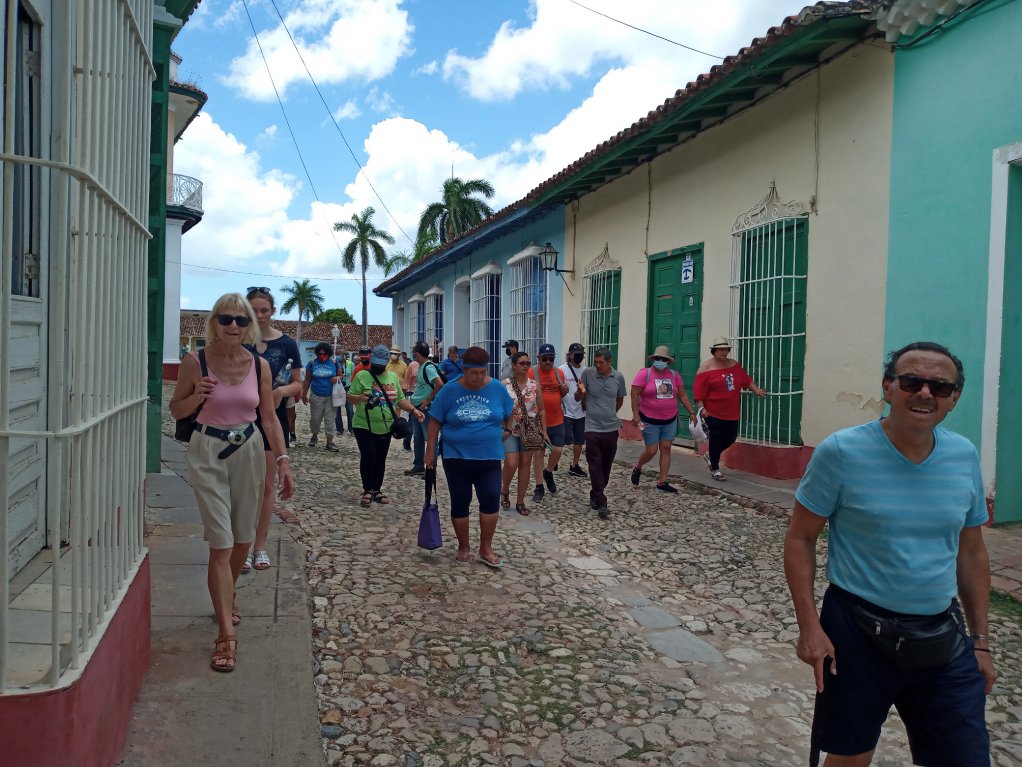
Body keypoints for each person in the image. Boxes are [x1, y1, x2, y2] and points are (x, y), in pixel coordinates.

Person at [783, 341, 994, 767]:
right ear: (888, 386)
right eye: (912, 381)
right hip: (856, 631)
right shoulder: (841, 452)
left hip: (941, 635)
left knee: (965, 757)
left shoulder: (964, 455)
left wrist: (981, 642)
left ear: (954, 397)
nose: (924, 393)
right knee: (850, 756)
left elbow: (971, 553)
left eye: (939, 386)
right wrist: (810, 628)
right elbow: (800, 539)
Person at [169, 293, 295, 673]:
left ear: (250, 327)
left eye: (242, 321)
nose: (234, 327)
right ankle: (226, 636)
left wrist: (284, 461)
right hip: (207, 451)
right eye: (226, 320)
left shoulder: (259, 366)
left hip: (248, 450)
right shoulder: (196, 362)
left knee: (242, 539)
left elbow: (269, 418)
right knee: (221, 543)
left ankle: (228, 596)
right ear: (215, 323)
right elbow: (175, 410)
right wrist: (196, 396)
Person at [424, 346, 514, 568]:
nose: (479, 377)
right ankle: (464, 546)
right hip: (457, 457)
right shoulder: (449, 390)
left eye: (483, 372)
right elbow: (435, 420)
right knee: (461, 501)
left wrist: (508, 432)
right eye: (474, 373)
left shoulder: (497, 389)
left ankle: (486, 547)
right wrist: (430, 450)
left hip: (489, 458)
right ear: (465, 370)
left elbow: (510, 413)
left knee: (491, 499)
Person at [244, 286, 302, 574]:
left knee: (267, 487)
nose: (259, 315)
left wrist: (280, 393)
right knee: (241, 487)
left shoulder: (287, 344)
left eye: (264, 310)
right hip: (240, 419)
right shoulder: (239, 340)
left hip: (271, 420)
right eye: (253, 310)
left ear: (272, 311)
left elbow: (297, 383)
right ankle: (240, 545)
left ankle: (260, 545)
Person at [348, 344, 425, 506]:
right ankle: (367, 489)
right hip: (363, 423)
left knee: (380, 458)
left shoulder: (392, 378)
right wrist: (361, 397)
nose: (378, 367)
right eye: (375, 363)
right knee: (368, 454)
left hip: (386, 425)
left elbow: (399, 400)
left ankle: (377, 489)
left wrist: (413, 410)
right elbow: (350, 396)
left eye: (380, 364)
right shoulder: (361, 375)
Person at [693, 337, 766, 481]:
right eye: (720, 349)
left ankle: (710, 455)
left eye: (726, 349)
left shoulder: (734, 365)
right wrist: (701, 408)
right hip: (713, 411)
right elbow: (698, 390)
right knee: (716, 438)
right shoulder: (706, 367)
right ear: (714, 351)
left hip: (732, 411)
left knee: (731, 437)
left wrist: (755, 389)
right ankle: (715, 468)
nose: (724, 352)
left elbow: (745, 379)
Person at [628, 345, 697, 494]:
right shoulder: (644, 374)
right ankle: (638, 467)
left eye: (663, 359)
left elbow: (683, 395)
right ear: (653, 359)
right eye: (657, 358)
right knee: (651, 450)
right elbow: (634, 394)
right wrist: (635, 414)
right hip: (648, 420)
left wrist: (691, 412)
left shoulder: (674, 375)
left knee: (666, 448)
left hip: (669, 420)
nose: (660, 361)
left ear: (668, 361)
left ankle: (662, 482)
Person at [576, 348, 626, 519]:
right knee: (594, 463)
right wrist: (580, 392)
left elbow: (619, 399)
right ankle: (602, 502)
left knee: (606, 465)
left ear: (609, 362)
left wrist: (611, 412)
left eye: (601, 363)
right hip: (592, 427)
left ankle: (595, 494)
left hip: (611, 427)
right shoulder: (588, 374)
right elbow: (578, 397)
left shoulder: (618, 377)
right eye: (595, 362)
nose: (597, 365)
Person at [500, 350, 547, 516]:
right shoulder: (504, 384)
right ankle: (504, 489)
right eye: (522, 363)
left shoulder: (535, 386)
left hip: (529, 430)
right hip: (510, 429)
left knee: (525, 465)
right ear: (514, 365)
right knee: (511, 462)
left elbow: (541, 410)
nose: (526, 366)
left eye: (528, 363)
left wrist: (545, 432)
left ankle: (520, 501)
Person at [528, 343, 568, 502]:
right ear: (539, 358)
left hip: (557, 419)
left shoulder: (559, 373)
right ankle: (539, 486)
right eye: (545, 358)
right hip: (538, 421)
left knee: (557, 450)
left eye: (551, 358)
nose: (548, 361)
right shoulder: (532, 372)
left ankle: (549, 471)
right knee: (538, 453)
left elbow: (560, 394)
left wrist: (564, 392)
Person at [405, 341, 443, 475]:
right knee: (418, 438)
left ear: (417, 354)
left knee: (430, 439)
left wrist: (427, 399)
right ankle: (419, 465)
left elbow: (439, 384)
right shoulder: (421, 366)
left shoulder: (428, 367)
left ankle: (431, 468)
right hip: (416, 407)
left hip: (425, 408)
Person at [301, 342, 341, 452]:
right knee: (315, 419)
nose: (321, 356)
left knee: (330, 420)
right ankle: (314, 436)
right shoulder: (312, 363)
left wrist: (337, 378)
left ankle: (329, 442)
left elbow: (341, 376)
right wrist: (304, 394)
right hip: (316, 395)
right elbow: (307, 379)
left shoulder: (334, 362)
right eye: (319, 354)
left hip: (331, 396)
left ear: (328, 354)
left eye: (324, 354)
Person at [559, 342, 588, 477]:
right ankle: (554, 461)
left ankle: (574, 465)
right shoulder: (562, 370)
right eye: (577, 355)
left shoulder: (585, 371)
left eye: (581, 355)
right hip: (565, 410)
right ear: (570, 355)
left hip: (580, 411)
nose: (579, 357)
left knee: (579, 440)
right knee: (563, 439)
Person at [401, 351, 420, 450]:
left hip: (424, 396)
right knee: (412, 420)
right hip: (413, 394)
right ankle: (407, 440)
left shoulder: (429, 366)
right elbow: (406, 380)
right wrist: (403, 396)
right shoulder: (412, 365)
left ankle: (418, 441)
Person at [334, 351, 355, 435]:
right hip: (337, 389)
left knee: (350, 410)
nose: (339, 356)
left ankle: (352, 429)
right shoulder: (334, 364)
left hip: (348, 388)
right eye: (337, 355)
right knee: (337, 410)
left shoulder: (350, 364)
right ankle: (339, 429)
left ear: (344, 355)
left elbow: (354, 376)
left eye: (340, 355)